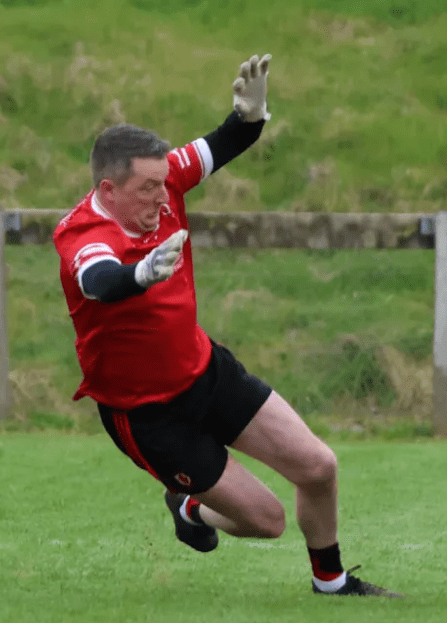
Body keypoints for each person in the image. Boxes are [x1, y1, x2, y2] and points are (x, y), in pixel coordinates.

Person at [54, 53, 400, 597]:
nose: (160, 196)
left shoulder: (164, 182)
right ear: (108, 188)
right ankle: (190, 507)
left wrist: (251, 117)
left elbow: (223, 142)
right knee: (267, 521)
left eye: (162, 184)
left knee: (318, 466)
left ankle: (331, 582)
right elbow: (99, 280)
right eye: (146, 189)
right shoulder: (83, 233)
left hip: (205, 372)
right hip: (147, 416)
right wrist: (141, 273)